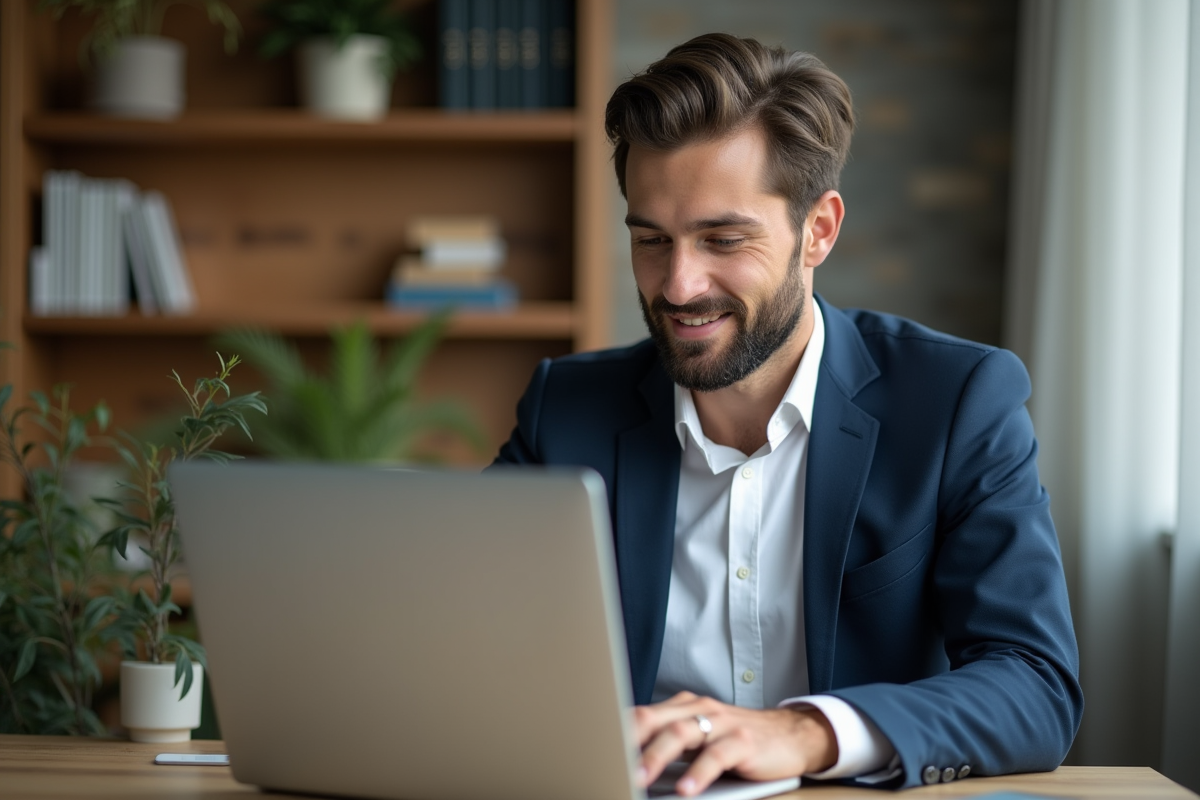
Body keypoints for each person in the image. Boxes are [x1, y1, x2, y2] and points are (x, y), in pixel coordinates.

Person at [493, 33, 1083, 793]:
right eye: (652, 241)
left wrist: (805, 732)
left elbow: (1034, 685)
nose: (677, 285)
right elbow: (468, 643)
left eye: (722, 239)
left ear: (819, 231)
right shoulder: (564, 410)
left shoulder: (957, 401)